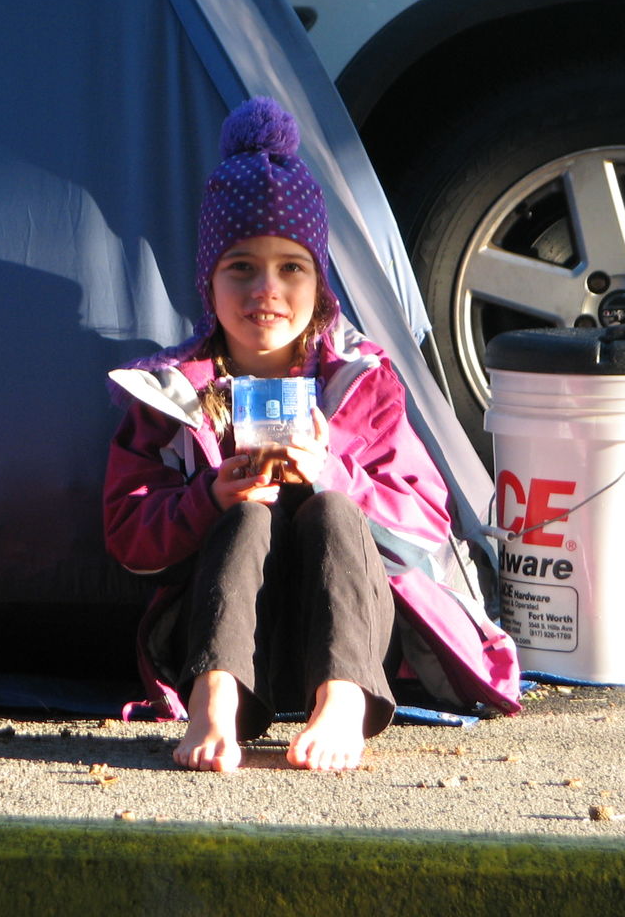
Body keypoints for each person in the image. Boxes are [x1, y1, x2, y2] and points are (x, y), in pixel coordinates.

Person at [103, 98, 518, 773]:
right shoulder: (170, 393)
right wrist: (207, 496)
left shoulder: (362, 382)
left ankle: (343, 701)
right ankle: (215, 703)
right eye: (239, 265)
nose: (264, 288)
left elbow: (422, 525)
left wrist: (331, 471)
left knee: (329, 508)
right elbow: (126, 535)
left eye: (290, 267)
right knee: (243, 516)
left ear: (319, 287)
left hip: (347, 635)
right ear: (207, 282)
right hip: (226, 640)